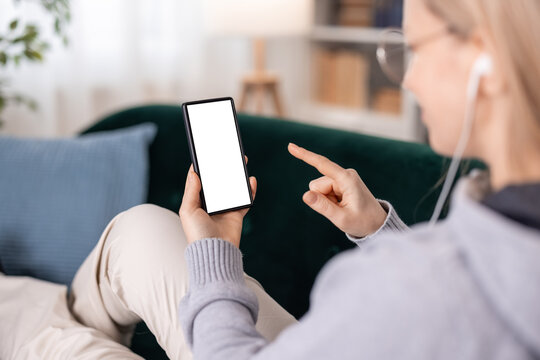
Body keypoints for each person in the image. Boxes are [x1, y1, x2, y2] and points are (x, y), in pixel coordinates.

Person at [1, 0, 539, 358]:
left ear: (485, 62)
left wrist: (215, 253)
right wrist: (380, 233)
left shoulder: (407, 286)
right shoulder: (455, 264)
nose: (409, 79)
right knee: (139, 230)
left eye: (412, 49)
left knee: (46, 340)